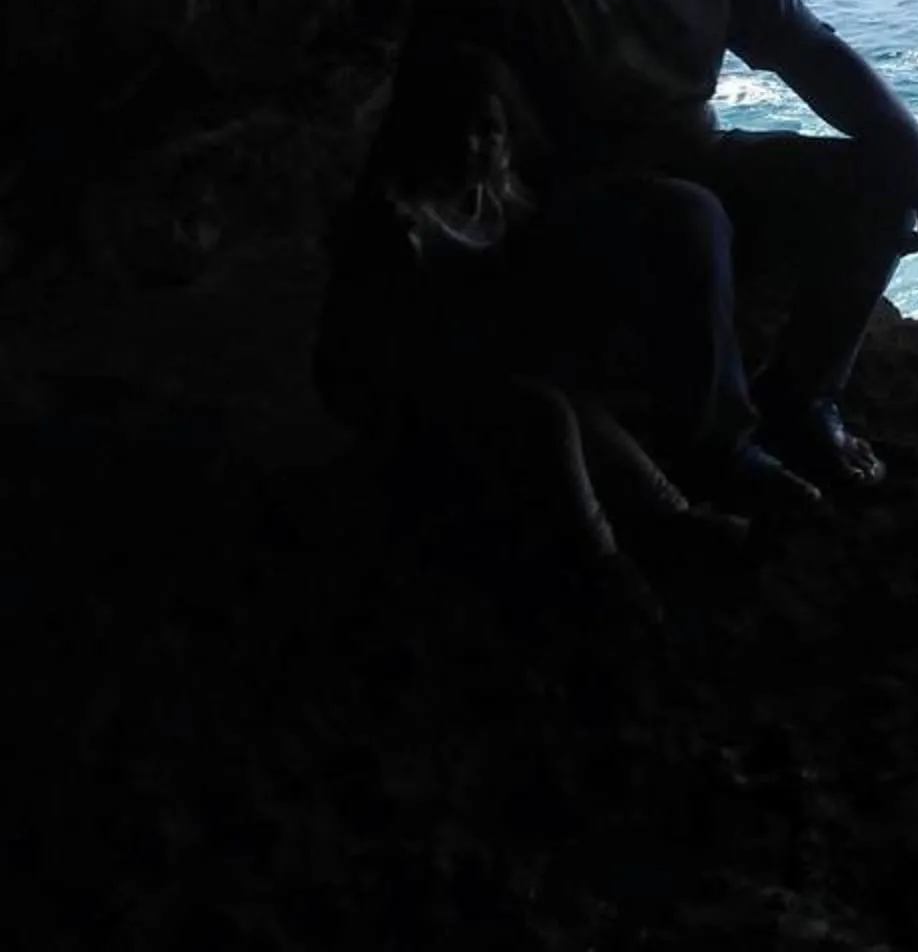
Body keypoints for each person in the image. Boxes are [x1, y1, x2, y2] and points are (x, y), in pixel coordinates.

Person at [409, 0, 918, 499]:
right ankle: (715, 449)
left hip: (696, 176)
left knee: (878, 182)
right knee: (687, 216)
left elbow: (808, 51)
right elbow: (450, 114)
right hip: (563, 214)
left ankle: (800, 400)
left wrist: (907, 142)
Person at [316, 42, 750, 615]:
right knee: (547, 416)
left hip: (482, 357)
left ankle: (670, 517)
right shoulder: (402, 224)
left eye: (488, 131)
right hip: (402, 378)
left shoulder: (498, 197)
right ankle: (599, 562)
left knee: (573, 410)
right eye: (456, 130)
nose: (475, 145)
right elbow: (391, 339)